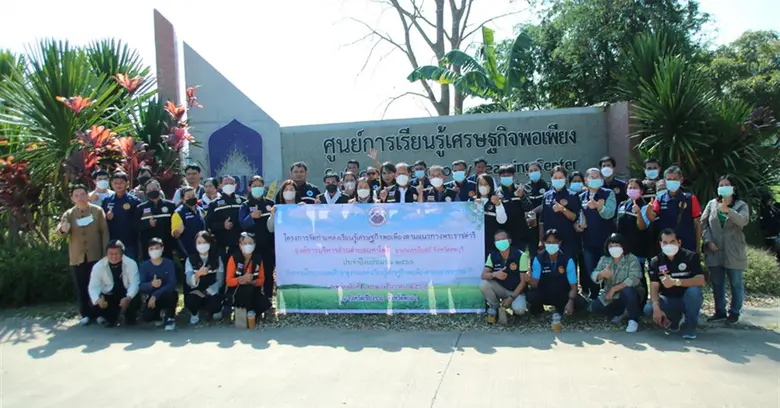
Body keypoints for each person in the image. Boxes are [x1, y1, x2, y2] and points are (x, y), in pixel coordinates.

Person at [57, 184, 110, 326]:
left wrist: (106, 253)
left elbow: (104, 232)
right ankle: (85, 314)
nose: (80, 197)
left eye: (82, 194)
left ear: (88, 195)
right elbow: (61, 230)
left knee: (97, 285)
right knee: (81, 286)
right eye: (76, 195)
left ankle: (99, 313)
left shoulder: (97, 211)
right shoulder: (69, 214)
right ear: (72, 198)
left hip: (95, 254)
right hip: (78, 257)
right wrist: (63, 229)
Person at [701, 176, 749, 323]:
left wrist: (728, 210)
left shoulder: (741, 205)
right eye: (721, 185)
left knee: (736, 282)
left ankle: (734, 312)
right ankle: (719, 311)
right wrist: (708, 241)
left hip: (734, 250)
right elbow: (703, 224)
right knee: (717, 283)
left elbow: (743, 221)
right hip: (715, 250)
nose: (723, 187)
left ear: (733, 188)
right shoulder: (712, 204)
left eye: (726, 185)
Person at [645, 228, 705, 340]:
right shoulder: (656, 261)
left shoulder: (690, 257)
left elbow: (701, 280)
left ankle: (690, 326)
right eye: (665, 242)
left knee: (694, 291)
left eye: (672, 242)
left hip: (687, 299)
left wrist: (676, 282)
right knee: (649, 309)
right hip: (668, 300)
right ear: (660, 244)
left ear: (679, 242)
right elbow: (654, 287)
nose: (669, 245)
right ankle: (675, 319)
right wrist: (656, 307)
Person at [527, 229, 588, 319]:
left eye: (554, 242)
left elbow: (573, 287)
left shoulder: (568, 260)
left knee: (581, 303)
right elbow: (534, 285)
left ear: (559, 243)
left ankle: (562, 308)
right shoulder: (538, 259)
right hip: (545, 293)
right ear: (544, 243)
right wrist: (529, 279)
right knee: (531, 295)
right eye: (548, 242)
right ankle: (538, 310)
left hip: (562, 293)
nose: (551, 245)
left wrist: (571, 301)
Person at [590, 233, 644, 333]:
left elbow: (634, 278)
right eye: (611, 246)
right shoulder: (604, 259)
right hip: (610, 297)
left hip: (629, 294)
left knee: (628, 291)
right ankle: (620, 313)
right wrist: (602, 274)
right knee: (594, 307)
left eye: (616, 245)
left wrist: (614, 289)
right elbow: (594, 274)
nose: (614, 248)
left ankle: (633, 320)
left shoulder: (632, 258)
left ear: (623, 246)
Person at [579, 168, 617, 300]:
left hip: (605, 241)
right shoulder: (581, 197)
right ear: (586, 180)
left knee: (607, 271)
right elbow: (579, 217)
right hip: (588, 241)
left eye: (597, 177)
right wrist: (578, 224)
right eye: (592, 177)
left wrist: (599, 207)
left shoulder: (608, 193)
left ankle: (610, 298)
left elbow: (610, 214)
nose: (595, 179)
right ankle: (594, 298)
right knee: (591, 271)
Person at [615, 179, 653, 306]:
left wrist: (638, 213)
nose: (632, 190)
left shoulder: (644, 206)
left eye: (635, 188)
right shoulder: (622, 205)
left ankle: (641, 304)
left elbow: (643, 227)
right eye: (630, 187)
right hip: (622, 248)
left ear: (641, 191)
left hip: (638, 247)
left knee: (638, 277)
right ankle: (627, 304)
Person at [646, 166, 702, 253]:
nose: (672, 181)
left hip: (687, 246)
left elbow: (697, 224)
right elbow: (652, 218)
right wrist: (648, 210)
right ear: (665, 181)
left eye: (675, 179)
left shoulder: (690, 198)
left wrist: (698, 248)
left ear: (681, 180)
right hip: (667, 245)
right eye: (669, 179)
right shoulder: (660, 199)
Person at [480, 230, 530, 325]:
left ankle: (516, 312)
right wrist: (495, 274)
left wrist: (511, 298)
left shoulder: (521, 255)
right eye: (498, 240)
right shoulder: (492, 255)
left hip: (516, 291)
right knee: (484, 284)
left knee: (519, 310)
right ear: (495, 244)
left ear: (509, 241)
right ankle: (495, 308)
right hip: (501, 289)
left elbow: (523, 281)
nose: (501, 242)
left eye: (503, 239)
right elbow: (483, 275)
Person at [88, 240, 141, 327]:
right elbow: (93, 287)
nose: (113, 256)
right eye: (110, 253)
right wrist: (98, 300)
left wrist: (128, 297)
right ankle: (110, 316)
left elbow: (134, 283)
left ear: (122, 253)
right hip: (110, 295)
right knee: (96, 305)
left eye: (116, 253)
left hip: (125, 293)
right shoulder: (98, 266)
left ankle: (130, 316)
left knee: (135, 300)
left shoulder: (131, 263)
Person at [239, 175, 276, 299]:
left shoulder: (270, 203)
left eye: (260, 186)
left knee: (268, 271)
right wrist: (251, 217)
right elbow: (242, 224)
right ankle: (253, 297)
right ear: (249, 188)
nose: (257, 188)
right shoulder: (245, 205)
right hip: (253, 246)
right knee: (254, 271)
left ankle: (268, 297)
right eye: (254, 186)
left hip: (268, 244)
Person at [226, 233, 273, 325]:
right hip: (237, 291)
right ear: (240, 245)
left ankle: (252, 314)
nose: (247, 245)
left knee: (265, 303)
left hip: (254, 290)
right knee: (247, 290)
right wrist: (241, 279)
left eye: (250, 243)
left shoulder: (258, 258)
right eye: (245, 243)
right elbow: (229, 281)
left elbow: (261, 280)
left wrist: (252, 281)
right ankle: (244, 313)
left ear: (254, 245)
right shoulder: (234, 258)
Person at [538, 166, 582, 259]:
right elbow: (542, 220)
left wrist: (562, 209)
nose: (558, 180)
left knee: (569, 265)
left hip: (569, 240)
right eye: (555, 178)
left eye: (560, 177)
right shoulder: (546, 196)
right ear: (551, 179)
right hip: (551, 241)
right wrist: (541, 240)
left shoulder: (572, 195)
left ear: (565, 178)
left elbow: (574, 217)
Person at [185, 231, 225, 324]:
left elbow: (220, 281)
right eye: (199, 243)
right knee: (191, 300)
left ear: (210, 243)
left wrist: (206, 292)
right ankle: (194, 313)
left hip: (212, 292)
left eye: (204, 242)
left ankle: (214, 311)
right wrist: (198, 274)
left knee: (215, 308)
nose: (202, 245)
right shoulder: (190, 260)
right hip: (196, 291)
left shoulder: (217, 259)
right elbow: (189, 281)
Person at [138, 238, 177, 331]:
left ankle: (170, 318)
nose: (154, 251)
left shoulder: (169, 263)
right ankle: (158, 316)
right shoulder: (144, 266)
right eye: (151, 249)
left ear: (162, 248)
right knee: (147, 316)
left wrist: (156, 295)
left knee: (172, 295)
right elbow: (141, 286)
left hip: (165, 294)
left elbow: (172, 283)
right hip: (151, 297)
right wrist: (151, 284)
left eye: (157, 248)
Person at [206, 175, 245, 264]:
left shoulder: (243, 202)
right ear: (220, 186)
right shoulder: (214, 204)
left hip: (240, 244)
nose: (229, 185)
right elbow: (209, 225)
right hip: (222, 245)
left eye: (231, 183)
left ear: (235, 185)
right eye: (226, 183)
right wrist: (222, 225)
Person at [102, 172, 141, 260]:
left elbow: (138, 221)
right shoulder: (107, 201)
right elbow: (101, 220)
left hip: (130, 241)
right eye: (115, 183)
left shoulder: (134, 201)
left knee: (130, 264)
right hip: (113, 241)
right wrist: (107, 217)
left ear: (127, 184)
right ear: (111, 184)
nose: (118, 185)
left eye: (121, 183)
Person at [136, 179, 176, 260]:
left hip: (167, 247)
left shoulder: (170, 205)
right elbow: (135, 226)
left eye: (154, 189)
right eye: (149, 190)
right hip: (148, 248)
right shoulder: (140, 208)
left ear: (159, 188)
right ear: (146, 192)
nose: (152, 191)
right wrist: (148, 224)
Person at [497, 165, 534, 252]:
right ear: (499, 177)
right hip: (504, 233)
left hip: (520, 232)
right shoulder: (497, 192)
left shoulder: (520, 190)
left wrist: (522, 196)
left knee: (521, 256)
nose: (506, 177)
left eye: (509, 175)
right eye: (504, 176)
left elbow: (528, 208)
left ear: (513, 176)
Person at [475, 174, 508, 256]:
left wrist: (498, 204)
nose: (483, 187)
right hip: (476, 241)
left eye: (486, 184)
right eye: (481, 184)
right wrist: (475, 207)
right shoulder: (471, 201)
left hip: (492, 242)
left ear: (491, 186)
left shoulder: (496, 200)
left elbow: (502, 220)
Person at [171, 186, 207, 261]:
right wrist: (178, 231)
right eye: (188, 197)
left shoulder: (201, 210)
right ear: (183, 199)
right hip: (187, 252)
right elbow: (175, 234)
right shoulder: (178, 213)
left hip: (203, 249)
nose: (191, 198)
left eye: (193, 196)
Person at [758, 192, 780, 263]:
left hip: (775, 235)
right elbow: (765, 223)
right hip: (769, 236)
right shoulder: (763, 210)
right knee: (772, 254)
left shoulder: (772, 209)